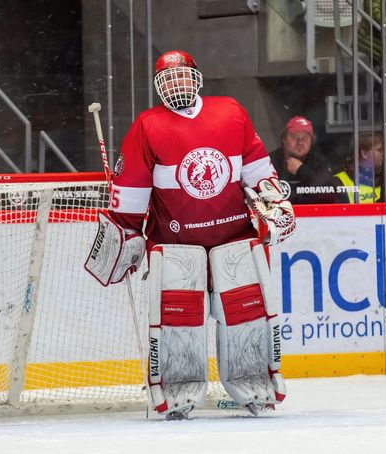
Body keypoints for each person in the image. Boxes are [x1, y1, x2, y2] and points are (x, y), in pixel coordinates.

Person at [84, 50, 295, 420]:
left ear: (197, 77)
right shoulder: (147, 126)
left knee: (247, 314)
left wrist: (272, 198)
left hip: (235, 237)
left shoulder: (230, 111)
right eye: (167, 79)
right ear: (158, 87)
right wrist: (125, 231)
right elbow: (131, 194)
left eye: (181, 75)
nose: (175, 83)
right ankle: (178, 391)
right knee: (178, 321)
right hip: (175, 243)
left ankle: (255, 384)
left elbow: (257, 167)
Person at [269, 116, 333, 204]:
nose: (300, 142)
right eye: (294, 137)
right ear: (284, 139)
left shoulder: (319, 163)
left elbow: (330, 195)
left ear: (311, 141)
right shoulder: (269, 162)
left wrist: (301, 170)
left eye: (305, 138)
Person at [332, 132, 383, 203]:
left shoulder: (385, 178)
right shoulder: (337, 182)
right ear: (364, 154)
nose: (383, 154)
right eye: (379, 150)